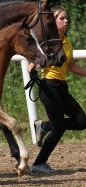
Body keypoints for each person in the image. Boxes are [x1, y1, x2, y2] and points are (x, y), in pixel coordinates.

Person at [28, 6, 86, 173]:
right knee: (59, 127)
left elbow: (72, 67)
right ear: (52, 22)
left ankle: (45, 126)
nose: (66, 20)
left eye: (67, 18)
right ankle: (38, 163)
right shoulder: (46, 43)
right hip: (49, 86)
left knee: (82, 121)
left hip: (62, 86)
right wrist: (36, 68)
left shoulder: (66, 42)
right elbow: (32, 65)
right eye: (62, 18)